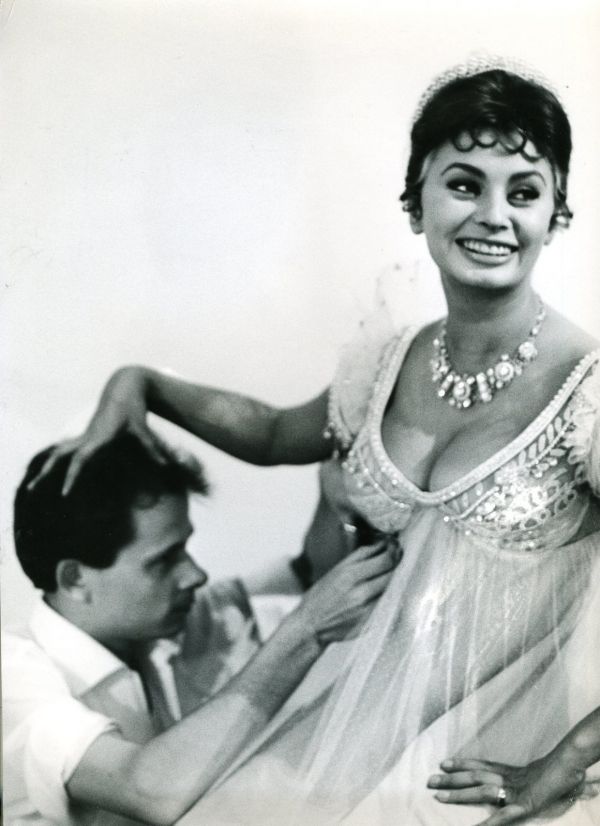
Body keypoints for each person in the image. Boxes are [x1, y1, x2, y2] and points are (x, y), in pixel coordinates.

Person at [30, 58, 600, 824]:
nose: (494, 215)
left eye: (524, 193)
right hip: (336, 727)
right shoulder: (391, 360)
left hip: (476, 766)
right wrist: (142, 386)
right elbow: (271, 433)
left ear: (556, 218)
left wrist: (559, 766)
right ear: (416, 203)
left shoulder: (586, 392)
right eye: (465, 184)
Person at [2, 432, 396, 826]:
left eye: (185, 548)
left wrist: (335, 490)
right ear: (74, 579)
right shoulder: (13, 677)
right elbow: (148, 790)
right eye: (164, 559)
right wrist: (306, 631)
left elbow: (310, 572)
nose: (195, 574)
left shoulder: (166, 624)